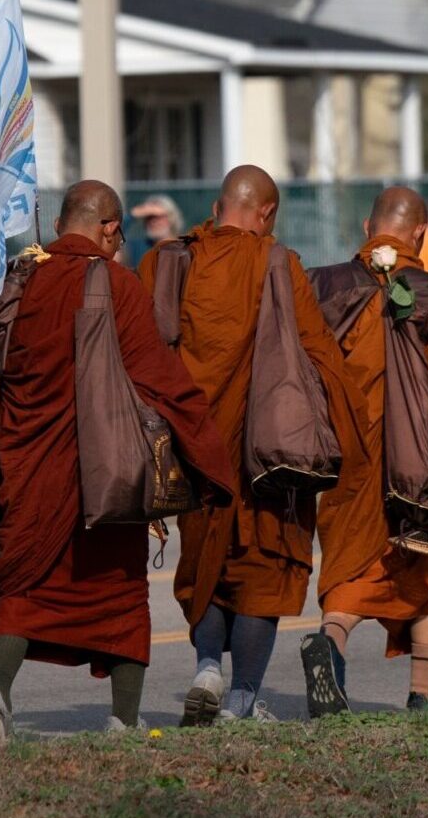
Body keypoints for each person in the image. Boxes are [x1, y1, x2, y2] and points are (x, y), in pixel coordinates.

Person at [0, 181, 234, 739]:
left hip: (28, 465)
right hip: (104, 474)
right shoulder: (114, 283)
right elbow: (158, 378)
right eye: (119, 233)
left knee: (25, 588)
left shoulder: (15, 282)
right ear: (109, 229)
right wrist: (210, 458)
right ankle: (123, 720)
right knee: (119, 596)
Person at [139, 165, 370, 724]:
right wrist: (349, 424)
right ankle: (241, 698)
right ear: (265, 214)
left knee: (207, 563)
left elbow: (142, 350)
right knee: (265, 568)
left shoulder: (168, 261)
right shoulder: (277, 263)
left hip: (194, 450)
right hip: (269, 454)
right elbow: (317, 356)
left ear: (218, 208)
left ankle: (205, 671)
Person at [303, 187, 428, 711]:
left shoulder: (321, 289)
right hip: (427, 461)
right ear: (420, 233)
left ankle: (330, 639)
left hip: (351, 454)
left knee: (350, 563)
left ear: (369, 228)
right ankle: (423, 695)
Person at [126, 194, 184, 269]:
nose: (153, 221)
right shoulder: (138, 247)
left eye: (158, 216)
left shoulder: (184, 248)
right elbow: (111, 232)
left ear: (171, 218)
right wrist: (134, 214)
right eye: (149, 217)